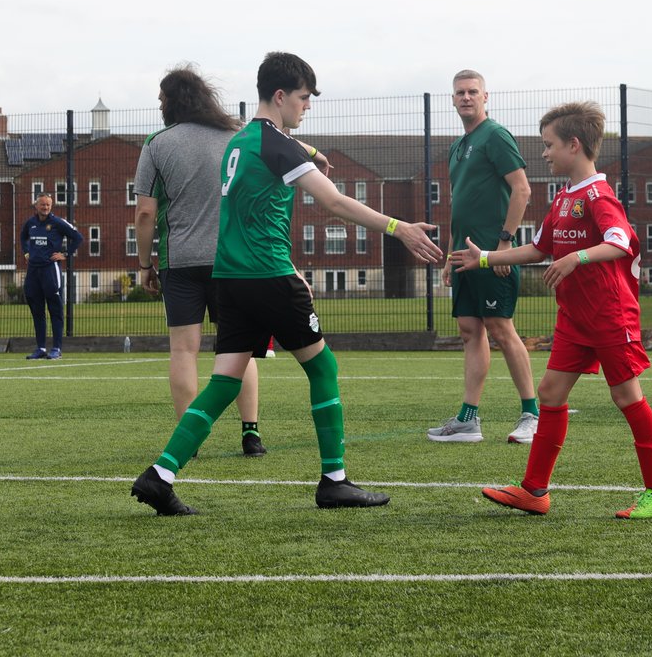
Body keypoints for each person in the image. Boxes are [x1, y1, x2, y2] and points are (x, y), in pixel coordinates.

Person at [130, 51, 444, 515]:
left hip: (232, 278)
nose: (307, 106)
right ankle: (334, 480)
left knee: (222, 383)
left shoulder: (242, 142)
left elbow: (256, 214)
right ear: (280, 96)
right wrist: (401, 229)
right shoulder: (273, 144)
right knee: (323, 369)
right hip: (268, 276)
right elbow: (335, 203)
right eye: (303, 98)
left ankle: (161, 474)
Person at [451, 101, 652, 519]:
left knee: (626, 396)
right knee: (550, 394)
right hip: (576, 319)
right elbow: (539, 248)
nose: (544, 153)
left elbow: (621, 242)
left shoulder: (598, 195)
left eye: (549, 145)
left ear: (574, 145)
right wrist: (485, 258)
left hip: (610, 315)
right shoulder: (562, 200)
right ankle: (534, 491)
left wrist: (578, 258)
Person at [135, 66, 327, 457]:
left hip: (181, 261)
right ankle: (250, 432)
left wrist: (144, 265)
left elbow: (144, 214)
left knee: (184, 350)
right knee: (241, 346)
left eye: (161, 99)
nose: (159, 106)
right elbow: (277, 144)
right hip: (236, 260)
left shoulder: (157, 144)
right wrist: (312, 151)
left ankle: (188, 440)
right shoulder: (237, 134)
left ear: (172, 101)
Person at [429, 69, 538, 445]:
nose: (466, 97)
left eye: (473, 91)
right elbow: (460, 204)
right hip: (463, 256)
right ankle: (468, 420)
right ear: (453, 99)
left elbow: (522, 189)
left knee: (500, 328)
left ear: (485, 97)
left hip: (492, 254)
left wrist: (503, 246)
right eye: (460, 92)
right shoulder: (458, 147)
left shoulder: (496, 136)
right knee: (469, 331)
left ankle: (532, 415)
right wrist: (449, 255)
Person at [20, 192, 82, 360]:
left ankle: (56, 348)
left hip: (50, 270)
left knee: (55, 309)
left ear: (51, 206)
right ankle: (40, 348)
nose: (45, 207)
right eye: (42, 204)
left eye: (48, 205)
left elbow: (77, 237)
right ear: (36, 206)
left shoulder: (58, 223)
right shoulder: (30, 223)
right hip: (33, 271)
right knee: (37, 310)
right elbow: (22, 237)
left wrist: (66, 254)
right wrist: (26, 253)